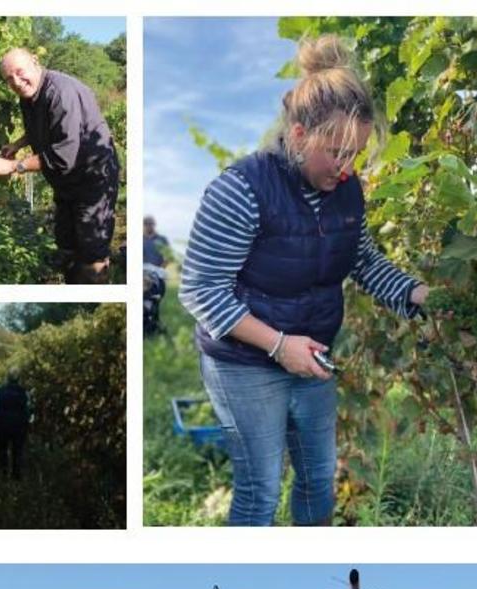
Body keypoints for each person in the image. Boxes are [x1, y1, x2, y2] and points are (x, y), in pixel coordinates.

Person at [179, 35, 430, 527]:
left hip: (312, 354)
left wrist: (419, 296)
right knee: (261, 488)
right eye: (335, 152)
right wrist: (278, 346)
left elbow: (360, 259)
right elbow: (201, 289)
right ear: (298, 135)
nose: (346, 167)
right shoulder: (241, 189)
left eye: (355, 154)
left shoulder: (346, 190)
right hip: (244, 363)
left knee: (318, 479)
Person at [0, 48, 120, 285]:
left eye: (19, 72)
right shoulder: (29, 96)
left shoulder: (61, 93)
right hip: (66, 180)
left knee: (91, 248)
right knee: (66, 241)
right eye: (9, 79)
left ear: (35, 62)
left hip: (92, 177)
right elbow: (43, 126)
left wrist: (14, 166)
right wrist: (18, 144)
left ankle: (96, 296)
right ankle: (75, 285)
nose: (16, 81)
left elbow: (63, 155)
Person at [0, 370, 30, 480]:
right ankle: (16, 474)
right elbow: (29, 409)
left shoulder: (0, 391)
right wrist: (28, 423)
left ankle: (4, 473)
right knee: (17, 450)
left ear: (7, 379)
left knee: (2, 450)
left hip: (2, 424)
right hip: (19, 425)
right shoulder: (24, 392)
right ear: (18, 379)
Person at [143, 215, 170, 336]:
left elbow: (168, 257)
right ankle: (148, 325)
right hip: (143, 275)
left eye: (151, 223)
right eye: (146, 223)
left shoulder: (162, 239)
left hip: (158, 274)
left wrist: (158, 269)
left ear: (154, 225)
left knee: (155, 300)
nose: (149, 225)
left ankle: (154, 324)